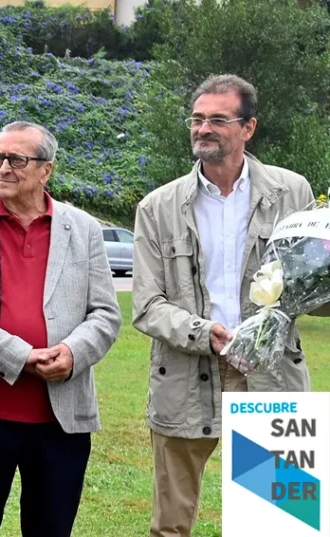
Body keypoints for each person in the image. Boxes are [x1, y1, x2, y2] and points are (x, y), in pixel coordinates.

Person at [132, 74, 319, 537]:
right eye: (197, 120)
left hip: (271, 373)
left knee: (280, 522)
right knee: (170, 527)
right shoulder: (157, 207)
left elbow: (313, 280)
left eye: (218, 119)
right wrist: (203, 332)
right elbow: (147, 305)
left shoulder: (293, 192)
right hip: (184, 374)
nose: (203, 129)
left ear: (248, 127)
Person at [0, 121, 121, 537]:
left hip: (59, 421)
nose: (3, 168)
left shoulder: (83, 230)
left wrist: (72, 354)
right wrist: (21, 357)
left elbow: (105, 313)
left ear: (46, 170)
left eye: (16, 159)